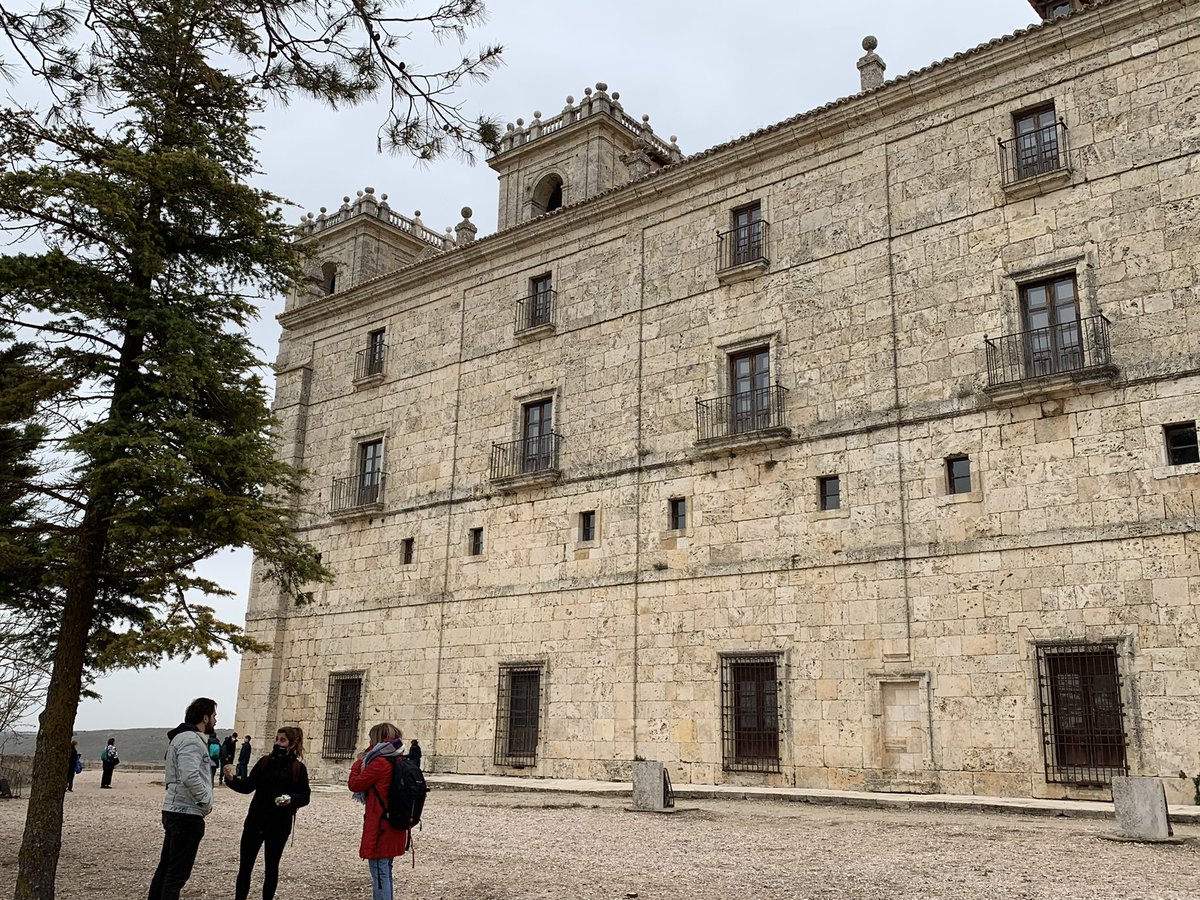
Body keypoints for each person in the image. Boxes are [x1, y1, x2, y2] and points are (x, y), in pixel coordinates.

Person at [224, 726, 311, 900]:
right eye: (277, 739)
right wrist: (231, 779)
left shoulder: (298, 768)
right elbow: (248, 786)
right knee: (245, 867)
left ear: (292, 744)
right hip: (255, 822)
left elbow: (305, 796)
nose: (277, 743)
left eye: (282, 740)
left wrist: (290, 799)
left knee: (271, 868)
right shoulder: (264, 762)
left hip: (279, 825)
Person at [147, 697, 217, 900]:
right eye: (214, 716)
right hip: (186, 813)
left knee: (166, 869)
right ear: (205, 718)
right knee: (176, 875)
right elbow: (189, 775)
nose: (215, 720)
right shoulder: (191, 740)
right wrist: (205, 801)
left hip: (176, 809)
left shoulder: (182, 738)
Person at [348, 723, 408, 900]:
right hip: (394, 822)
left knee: (380, 875)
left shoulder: (379, 762)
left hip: (380, 824)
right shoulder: (398, 758)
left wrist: (359, 762)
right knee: (385, 871)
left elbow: (355, 784)